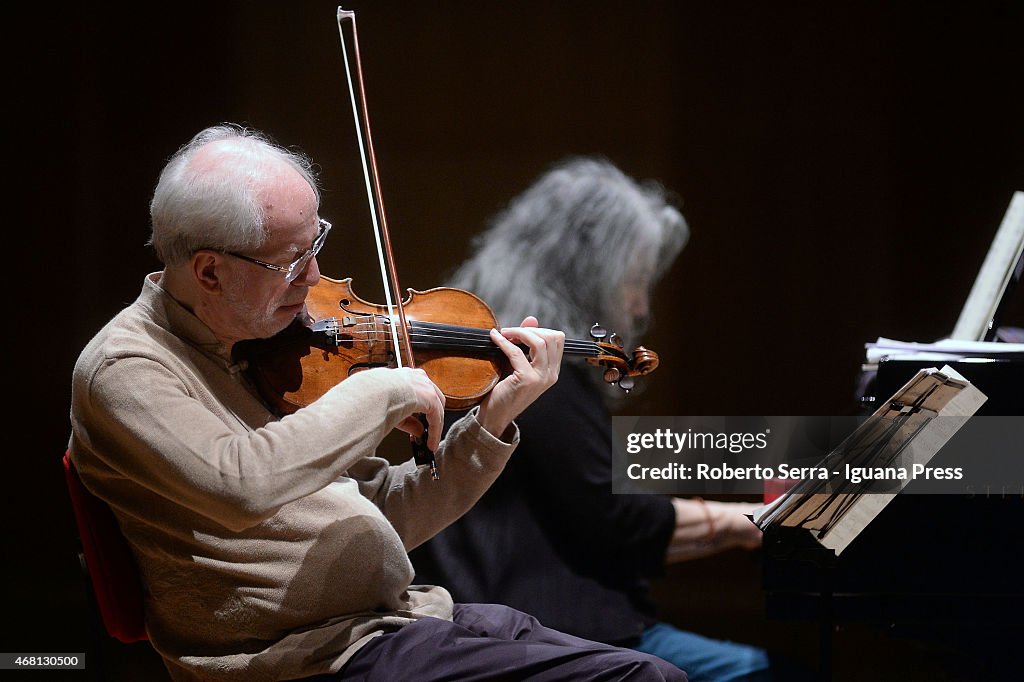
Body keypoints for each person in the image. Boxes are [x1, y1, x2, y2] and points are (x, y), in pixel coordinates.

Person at [68, 125, 689, 682]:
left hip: (398, 620)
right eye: (291, 260)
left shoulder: (257, 350)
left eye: (317, 244)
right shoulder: (128, 370)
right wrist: (385, 389)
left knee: (659, 674)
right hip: (303, 658)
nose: (314, 278)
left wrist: (494, 418)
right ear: (208, 272)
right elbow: (241, 482)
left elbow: (388, 513)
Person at [409, 157, 788, 681]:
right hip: (547, 630)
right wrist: (745, 523)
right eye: (635, 282)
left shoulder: (494, 355)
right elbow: (616, 520)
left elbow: (615, 498)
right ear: (586, 274)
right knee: (765, 674)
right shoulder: (532, 373)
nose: (638, 309)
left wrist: (747, 512)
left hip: (527, 616)